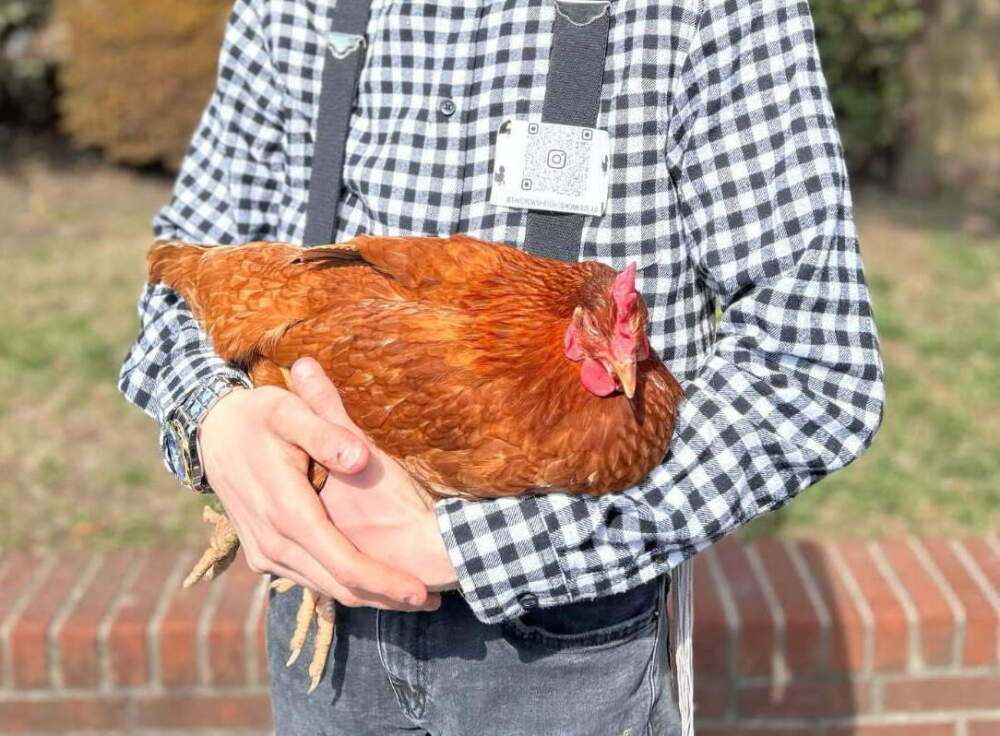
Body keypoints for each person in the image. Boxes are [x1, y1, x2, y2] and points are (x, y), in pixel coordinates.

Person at [118, 1, 885, 734]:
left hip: (567, 635)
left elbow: (812, 373)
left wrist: (468, 547)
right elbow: (184, 265)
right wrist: (215, 419)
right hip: (320, 612)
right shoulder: (290, 6)